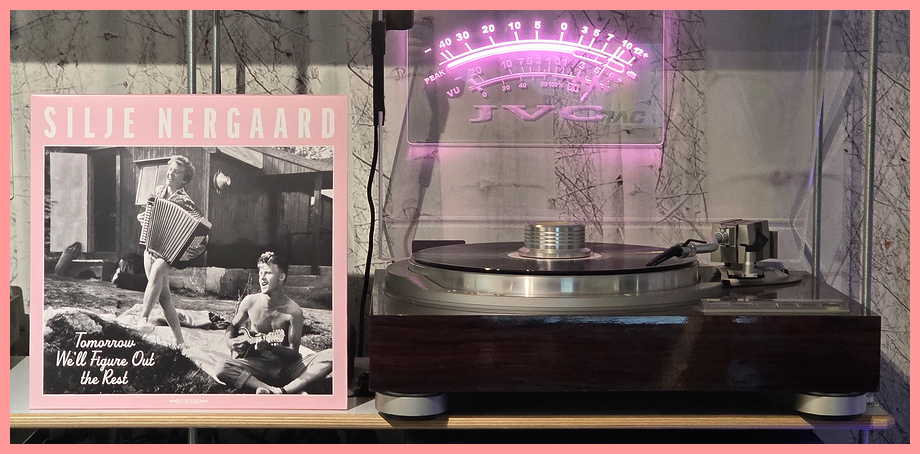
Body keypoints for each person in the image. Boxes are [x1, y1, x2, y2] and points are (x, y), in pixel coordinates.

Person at [216, 252, 333, 394]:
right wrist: (230, 343)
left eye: (268, 273)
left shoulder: (293, 312)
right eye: (260, 273)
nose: (262, 278)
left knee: (332, 355)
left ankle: (284, 391)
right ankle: (270, 390)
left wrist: (271, 348)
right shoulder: (250, 301)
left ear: (281, 277)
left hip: (286, 367)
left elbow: (294, 354)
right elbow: (232, 326)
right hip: (257, 364)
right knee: (222, 367)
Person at [137, 155, 207, 347]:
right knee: (164, 298)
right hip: (152, 246)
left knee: (156, 273)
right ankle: (180, 342)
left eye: (176, 172)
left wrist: (194, 250)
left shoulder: (186, 201)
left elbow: (202, 231)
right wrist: (143, 219)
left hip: (171, 252)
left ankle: (143, 319)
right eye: (170, 170)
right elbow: (146, 214)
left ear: (184, 179)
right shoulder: (158, 192)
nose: (170, 174)